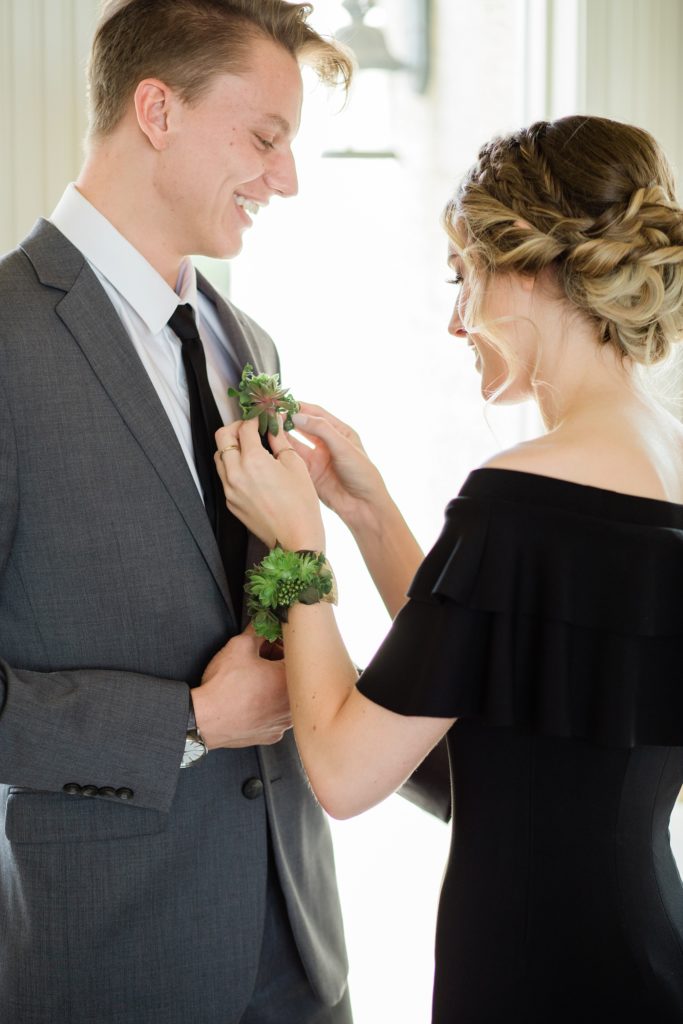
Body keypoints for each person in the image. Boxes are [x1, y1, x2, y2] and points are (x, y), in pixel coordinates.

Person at [215, 114, 683, 1023]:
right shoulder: (660, 467)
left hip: (540, 981)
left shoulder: (522, 494)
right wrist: (367, 509)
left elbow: (349, 774)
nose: (455, 318)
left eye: (462, 276)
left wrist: (301, 546)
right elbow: (490, 691)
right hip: (641, 962)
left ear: (533, 271)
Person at [0, 2, 360, 1022]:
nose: (283, 178)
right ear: (155, 108)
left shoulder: (251, 345)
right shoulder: (5, 339)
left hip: (298, 941)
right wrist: (189, 722)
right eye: (263, 137)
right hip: (110, 962)